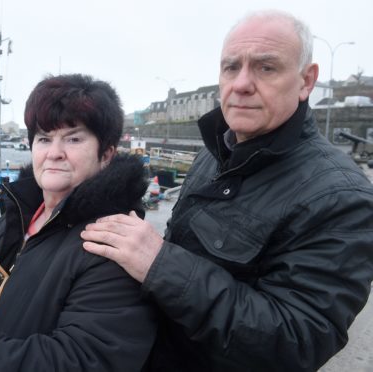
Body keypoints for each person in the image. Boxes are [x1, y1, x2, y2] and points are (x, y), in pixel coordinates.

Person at [81, 10, 373, 371]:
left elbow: (299, 341)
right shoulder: (215, 152)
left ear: (306, 81)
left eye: (266, 67)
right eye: (231, 67)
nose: (241, 83)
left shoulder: (341, 197)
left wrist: (161, 264)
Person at [0, 74, 156, 371]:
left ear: (106, 155)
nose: (54, 152)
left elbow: (81, 360)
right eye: (44, 138)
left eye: (73, 138)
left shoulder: (114, 246)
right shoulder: (19, 215)